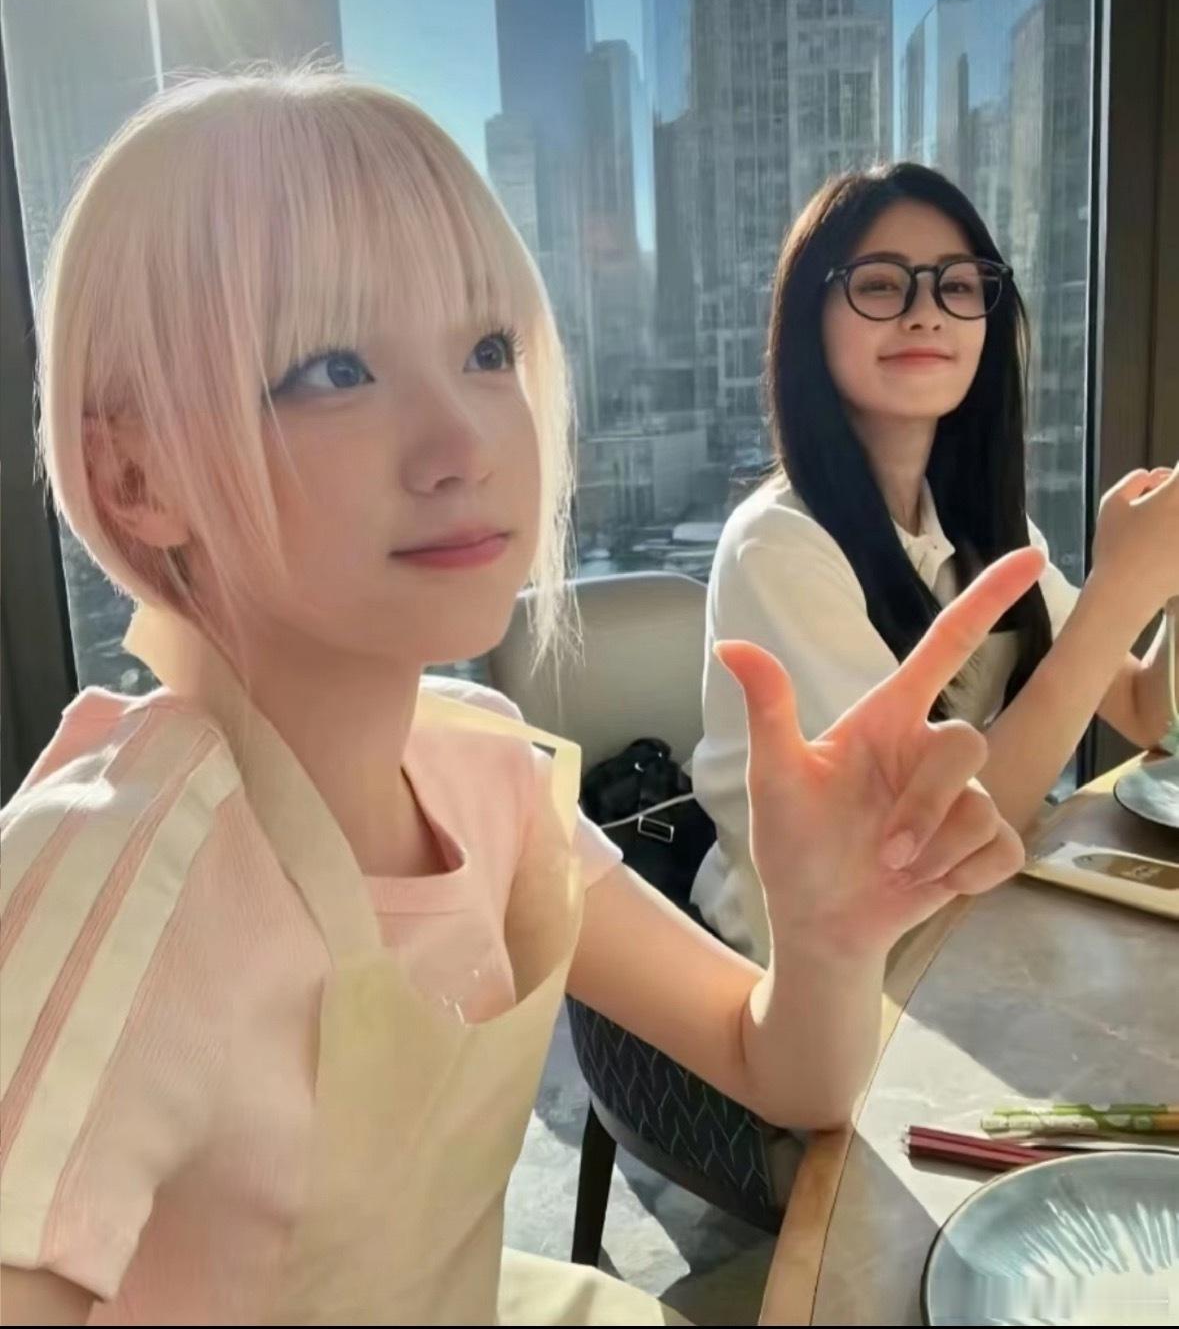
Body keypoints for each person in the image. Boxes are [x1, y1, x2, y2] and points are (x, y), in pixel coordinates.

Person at [0, 80, 1040, 1325]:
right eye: (334, 368)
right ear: (134, 474)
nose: (465, 442)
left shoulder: (486, 777)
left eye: (488, 352)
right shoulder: (110, 865)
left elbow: (788, 1074)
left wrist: (825, 936)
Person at [690, 162, 1179, 965]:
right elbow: (916, 843)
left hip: (960, 929)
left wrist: (1165, 583)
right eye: (881, 286)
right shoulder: (776, 546)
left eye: (956, 285)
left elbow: (1143, 709)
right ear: (810, 319)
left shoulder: (977, 525)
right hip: (815, 978)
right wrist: (1120, 586)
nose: (925, 312)